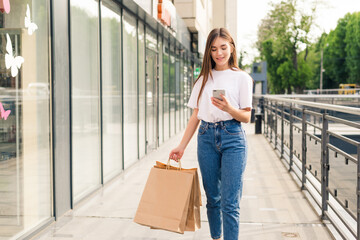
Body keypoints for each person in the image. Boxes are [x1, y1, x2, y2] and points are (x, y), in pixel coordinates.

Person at [169, 28, 253, 240]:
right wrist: (181, 146)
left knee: (230, 202)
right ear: (209, 52)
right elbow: (196, 114)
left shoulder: (242, 78)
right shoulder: (203, 78)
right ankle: (216, 237)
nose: (219, 53)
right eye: (214, 49)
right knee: (213, 198)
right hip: (206, 137)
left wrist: (228, 109)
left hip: (233, 137)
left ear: (231, 48)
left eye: (223, 48)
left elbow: (246, 117)